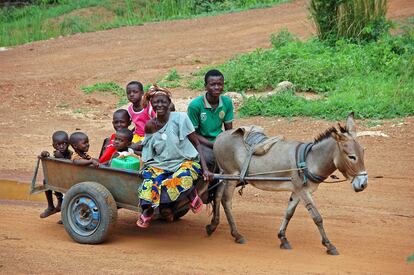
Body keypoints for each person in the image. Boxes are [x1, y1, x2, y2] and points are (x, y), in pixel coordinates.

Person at [136, 85, 213, 228]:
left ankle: (189, 195)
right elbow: (148, 149)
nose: (160, 105)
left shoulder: (181, 118)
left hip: (184, 161)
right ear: (151, 104)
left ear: (169, 102)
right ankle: (148, 210)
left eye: (163, 101)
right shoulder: (150, 125)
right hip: (161, 164)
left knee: (182, 179)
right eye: (156, 102)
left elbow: (196, 143)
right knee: (150, 183)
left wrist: (206, 168)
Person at [187, 69, 234, 201]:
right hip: (200, 142)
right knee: (209, 158)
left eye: (220, 84)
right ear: (205, 86)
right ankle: (203, 188)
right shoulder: (195, 105)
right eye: (212, 84)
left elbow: (229, 130)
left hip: (219, 140)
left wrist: (228, 144)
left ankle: (224, 185)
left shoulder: (227, 102)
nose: (217, 87)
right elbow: (193, 134)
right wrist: (213, 144)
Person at [39, 131, 72, 219]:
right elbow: (46, 155)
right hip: (60, 179)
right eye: (58, 144)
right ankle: (51, 206)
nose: (61, 146)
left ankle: (66, 214)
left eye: (64, 143)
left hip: (71, 179)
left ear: (68, 143)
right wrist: (45, 154)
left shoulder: (71, 154)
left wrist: (60, 156)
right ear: (54, 145)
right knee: (46, 180)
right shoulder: (55, 153)